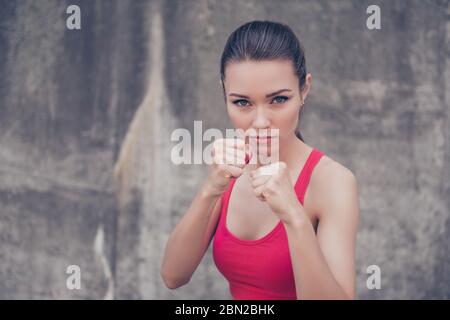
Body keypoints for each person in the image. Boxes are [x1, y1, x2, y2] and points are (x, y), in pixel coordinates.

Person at [161, 20, 359, 300]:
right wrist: (210, 189)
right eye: (242, 102)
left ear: (304, 90)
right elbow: (172, 276)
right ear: (225, 95)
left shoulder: (333, 182)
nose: (260, 121)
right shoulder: (229, 169)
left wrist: (294, 215)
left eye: (278, 100)